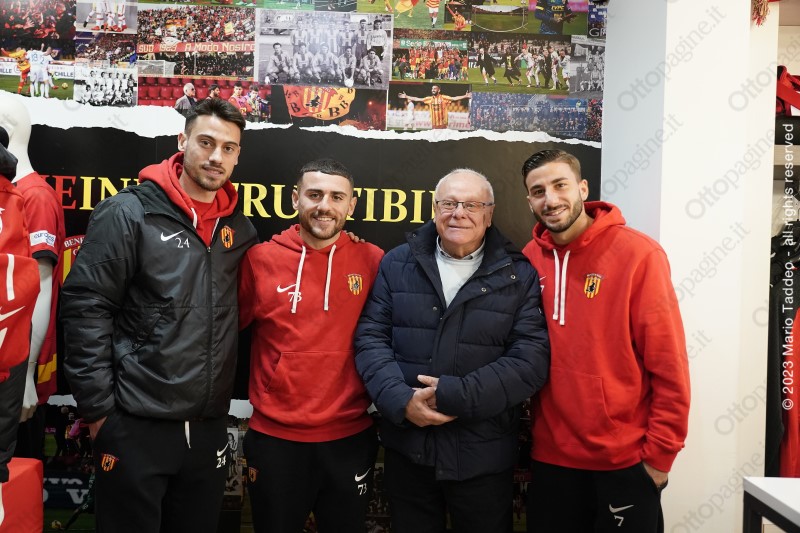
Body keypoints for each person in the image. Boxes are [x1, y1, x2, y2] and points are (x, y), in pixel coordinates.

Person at [61, 98, 258, 533]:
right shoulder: (129, 212)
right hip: (135, 422)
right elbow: (86, 308)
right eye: (206, 142)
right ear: (182, 141)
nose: (216, 156)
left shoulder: (239, 229)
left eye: (228, 148)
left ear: (238, 156)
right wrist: (100, 413)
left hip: (207, 429)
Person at [355, 169, 550, 533]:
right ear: (434, 209)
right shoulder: (396, 263)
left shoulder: (518, 275)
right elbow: (370, 338)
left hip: (482, 457)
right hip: (408, 451)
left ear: (489, 214)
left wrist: (454, 395)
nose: (458, 213)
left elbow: (530, 360)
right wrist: (400, 400)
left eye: (472, 205)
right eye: (449, 203)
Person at [519, 149, 690, 532]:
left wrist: (660, 457)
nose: (551, 199)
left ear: (583, 188)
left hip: (625, 461)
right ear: (529, 200)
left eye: (560, 185)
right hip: (551, 459)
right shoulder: (530, 258)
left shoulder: (638, 254)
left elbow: (669, 363)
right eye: (538, 191)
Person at [239, 159, 384, 533]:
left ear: (351, 205)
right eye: (315, 194)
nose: (325, 206)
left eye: (337, 197)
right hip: (275, 440)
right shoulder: (259, 260)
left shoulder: (373, 260)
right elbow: (221, 334)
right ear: (295, 199)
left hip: (349, 438)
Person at [1, 95, 65, 460]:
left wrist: (26, 373)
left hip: (16, 375)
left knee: (14, 476)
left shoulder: (34, 197)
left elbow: (40, 286)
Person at [398, 85, 470, 130]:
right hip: (434, 124)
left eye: (435, 88)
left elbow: (454, 98)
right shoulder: (429, 99)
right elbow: (417, 99)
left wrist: (465, 96)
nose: (433, 89)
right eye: (432, 88)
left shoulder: (443, 97)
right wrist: (406, 96)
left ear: (439, 90)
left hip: (443, 123)